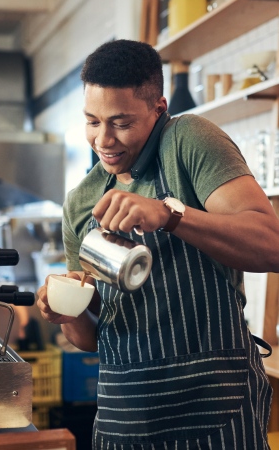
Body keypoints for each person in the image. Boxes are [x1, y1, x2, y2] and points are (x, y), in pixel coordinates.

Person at [36, 39, 279, 449]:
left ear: (159, 109)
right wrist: (67, 313)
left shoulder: (187, 140)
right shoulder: (81, 201)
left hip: (213, 407)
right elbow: (94, 337)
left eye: (122, 122)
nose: (104, 140)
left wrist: (170, 215)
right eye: (92, 121)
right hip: (125, 415)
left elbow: (271, 244)